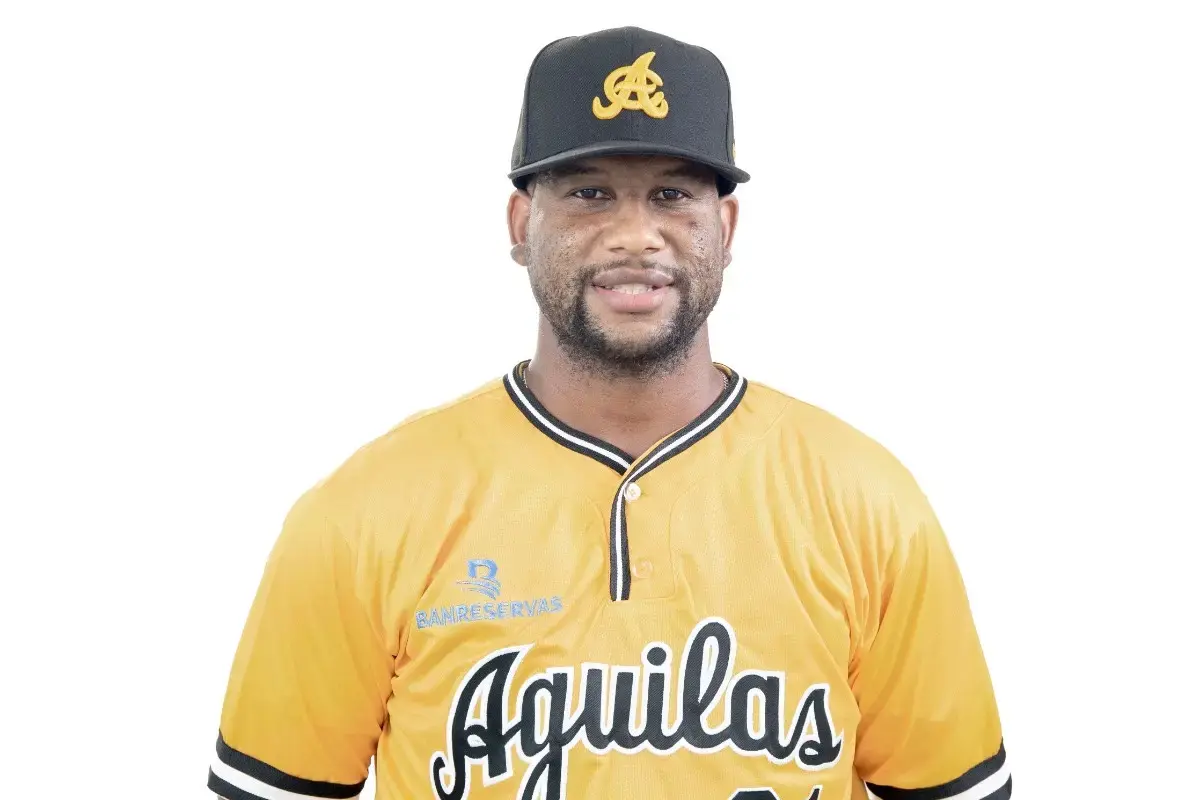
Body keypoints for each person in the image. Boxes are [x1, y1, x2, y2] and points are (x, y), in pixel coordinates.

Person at [206, 26, 1011, 800]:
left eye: (673, 195)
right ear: (522, 224)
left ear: (724, 227)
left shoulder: (867, 503)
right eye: (590, 194)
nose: (635, 235)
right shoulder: (366, 510)